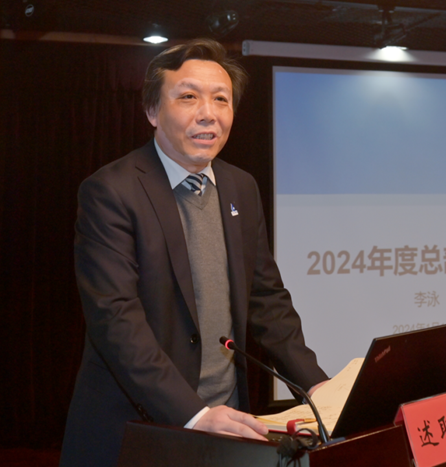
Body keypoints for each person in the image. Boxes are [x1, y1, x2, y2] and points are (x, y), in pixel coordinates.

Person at [60, 38, 328, 467]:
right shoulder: (111, 191)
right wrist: (194, 414)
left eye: (221, 99)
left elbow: (267, 301)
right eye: (188, 97)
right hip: (141, 429)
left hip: (229, 425)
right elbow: (115, 320)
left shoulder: (241, 186)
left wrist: (317, 386)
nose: (208, 113)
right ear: (152, 111)